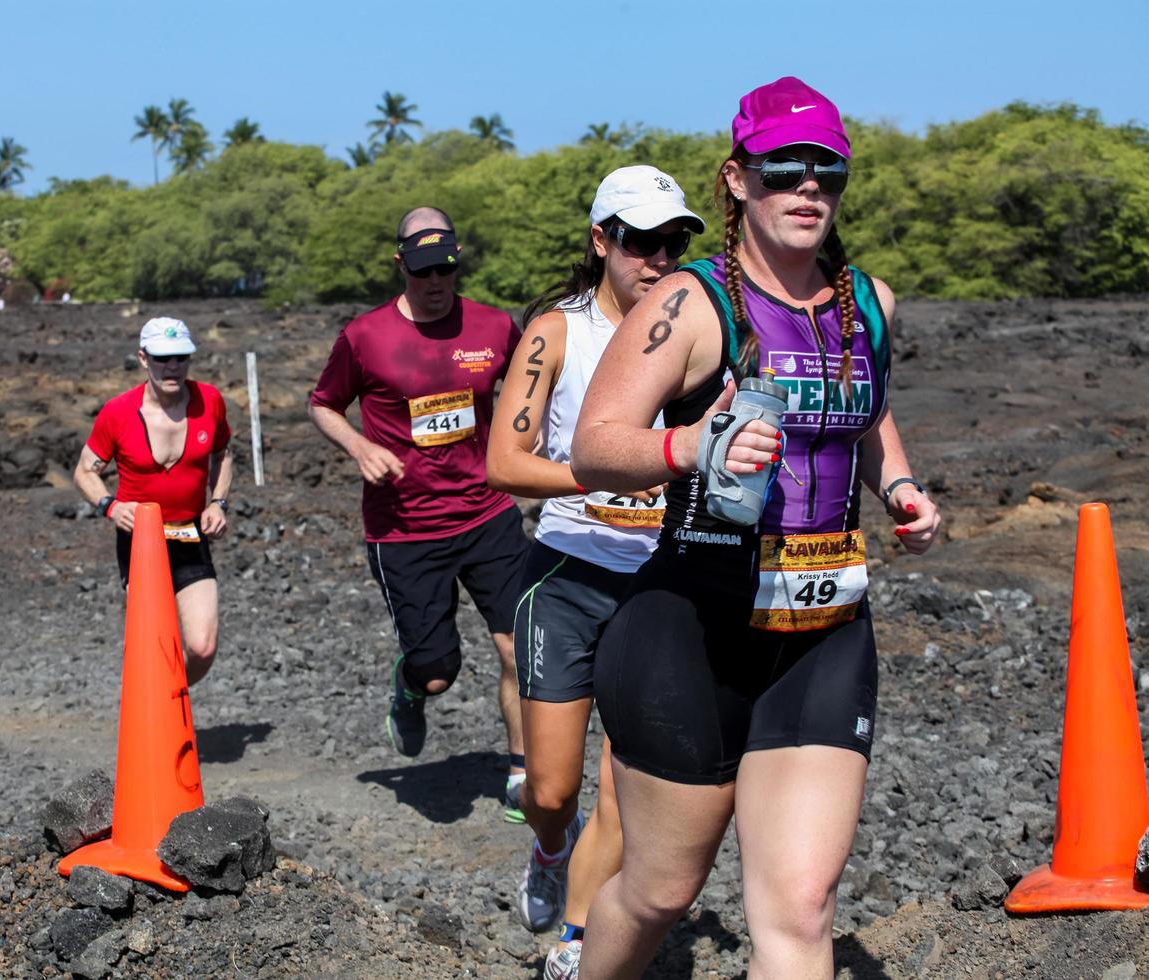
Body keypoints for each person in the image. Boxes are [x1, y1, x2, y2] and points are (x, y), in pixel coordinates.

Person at [570, 77, 942, 979]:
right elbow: (595, 448)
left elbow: (864, 419)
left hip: (823, 630)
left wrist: (898, 487)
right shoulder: (689, 306)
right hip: (691, 629)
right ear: (739, 181)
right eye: (788, 171)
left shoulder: (869, 304)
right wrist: (691, 446)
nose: (810, 189)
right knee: (660, 892)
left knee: (800, 910)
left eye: (830, 174)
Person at [485, 166, 706, 978]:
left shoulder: (702, 330)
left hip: (660, 584)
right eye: (640, 241)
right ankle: (549, 851)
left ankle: (575, 947)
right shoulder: (557, 332)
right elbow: (504, 462)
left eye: (674, 242)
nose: (658, 258)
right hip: (570, 574)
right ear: (600, 239)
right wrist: (603, 471)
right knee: (550, 791)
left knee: (622, 793)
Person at [308, 207, 531, 819]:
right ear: (401, 262)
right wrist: (359, 446)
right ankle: (408, 687)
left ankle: (520, 772)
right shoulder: (364, 336)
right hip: (404, 529)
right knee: (438, 673)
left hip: (488, 514)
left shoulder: (493, 326)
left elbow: (530, 393)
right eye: (424, 270)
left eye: (447, 269)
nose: (436, 283)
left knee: (521, 649)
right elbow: (323, 404)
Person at [73, 317, 232, 686]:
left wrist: (217, 503)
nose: (172, 366)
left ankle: (169, 701)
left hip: (189, 533)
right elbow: (84, 471)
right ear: (143, 359)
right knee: (154, 644)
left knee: (203, 647)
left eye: (181, 357)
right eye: (163, 358)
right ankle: (154, 719)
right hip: (141, 540)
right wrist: (109, 506)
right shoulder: (118, 411)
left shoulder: (210, 401)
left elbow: (223, 452)